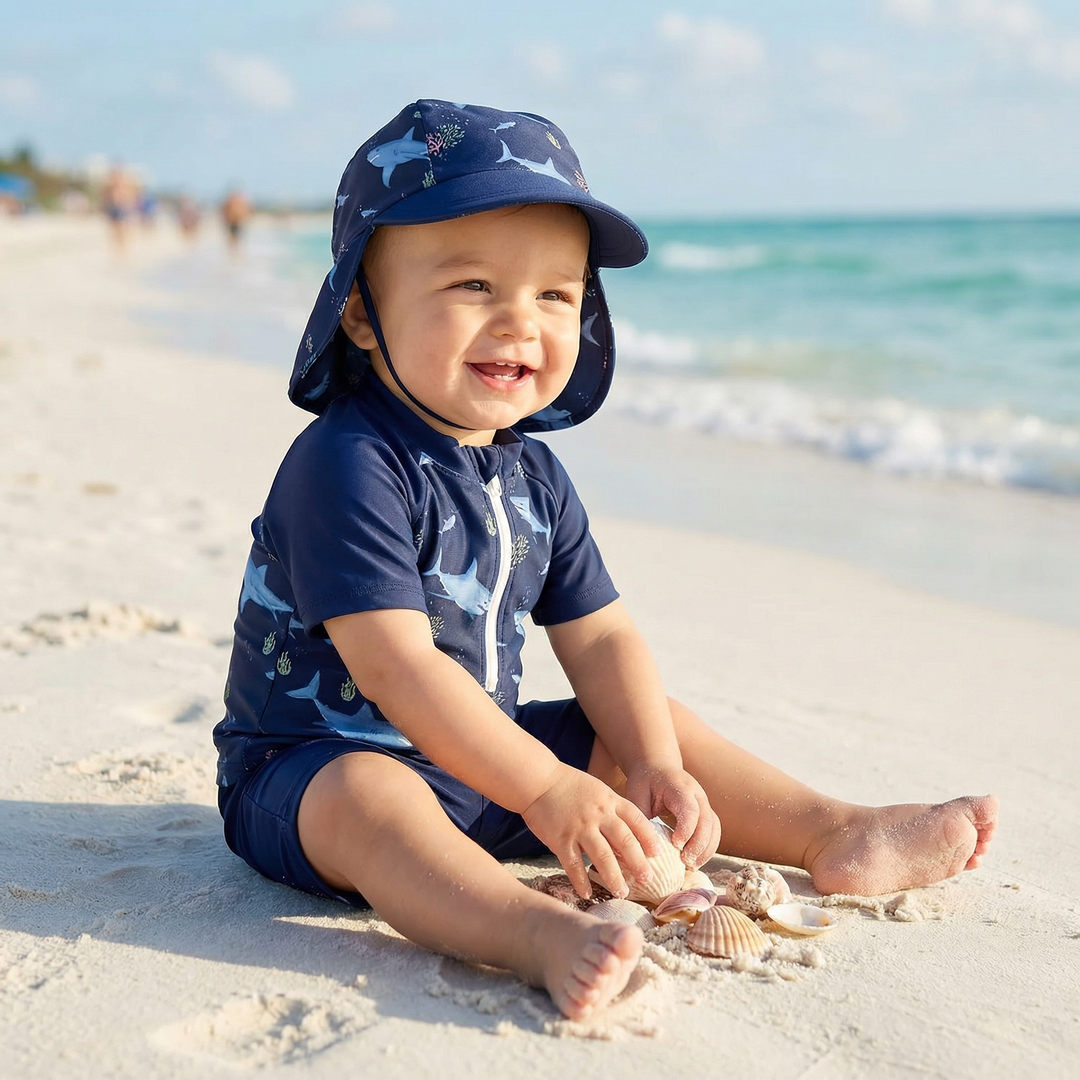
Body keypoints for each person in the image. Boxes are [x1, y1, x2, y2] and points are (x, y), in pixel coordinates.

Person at [213, 101, 997, 1022]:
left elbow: (603, 633)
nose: (520, 322)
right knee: (369, 792)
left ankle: (834, 831)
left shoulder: (532, 473)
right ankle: (529, 932)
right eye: (471, 285)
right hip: (311, 777)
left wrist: (654, 762)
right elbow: (397, 663)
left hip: (479, 765)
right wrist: (547, 789)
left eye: (555, 294)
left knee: (634, 718)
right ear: (358, 310)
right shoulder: (348, 464)